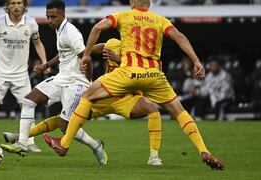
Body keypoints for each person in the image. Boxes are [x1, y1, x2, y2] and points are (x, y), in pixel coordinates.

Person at [45, 0, 224, 170]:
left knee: (87, 96)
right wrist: (196, 61)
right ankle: (203, 151)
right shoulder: (160, 20)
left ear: (132, 3)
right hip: (154, 75)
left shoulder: (124, 15)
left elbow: (98, 27)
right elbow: (179, 36)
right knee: (180, 112)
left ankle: (64, 143)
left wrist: (85, 55)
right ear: (149, 4)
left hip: (129, 72)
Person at [4, 38, 164, 166]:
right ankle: (22, 136)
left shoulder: (145, 54)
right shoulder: (113, 44)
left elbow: (146, 72)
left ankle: (154, 156)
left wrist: (120, 60)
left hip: (126, 98)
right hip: (102, 95)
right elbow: (80, 51)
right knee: (64, 121)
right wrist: (48, 64)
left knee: (152, 108)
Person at [0, 0, 108, 165]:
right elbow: (63, 54)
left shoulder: (71, 32)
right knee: (29, 100)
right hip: (61, 78)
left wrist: (88, 82)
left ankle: (95, 145)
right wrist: (47, 65)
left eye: (53, 17)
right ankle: (22, 143)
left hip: (75, 83)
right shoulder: (60, 30)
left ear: (63, 15)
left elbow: (86, 57)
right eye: (48, 16)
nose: (49, 20)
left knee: (65, 127)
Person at [0, 0, 47, 152]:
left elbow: (37, 43)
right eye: (13, 3)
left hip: (21, 75)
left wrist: (45, 62)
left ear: (24, 5)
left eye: (19, 3)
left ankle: (30, 142)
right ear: (7, 6)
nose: (16, 7)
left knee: (28, 106)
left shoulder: (31, 22)